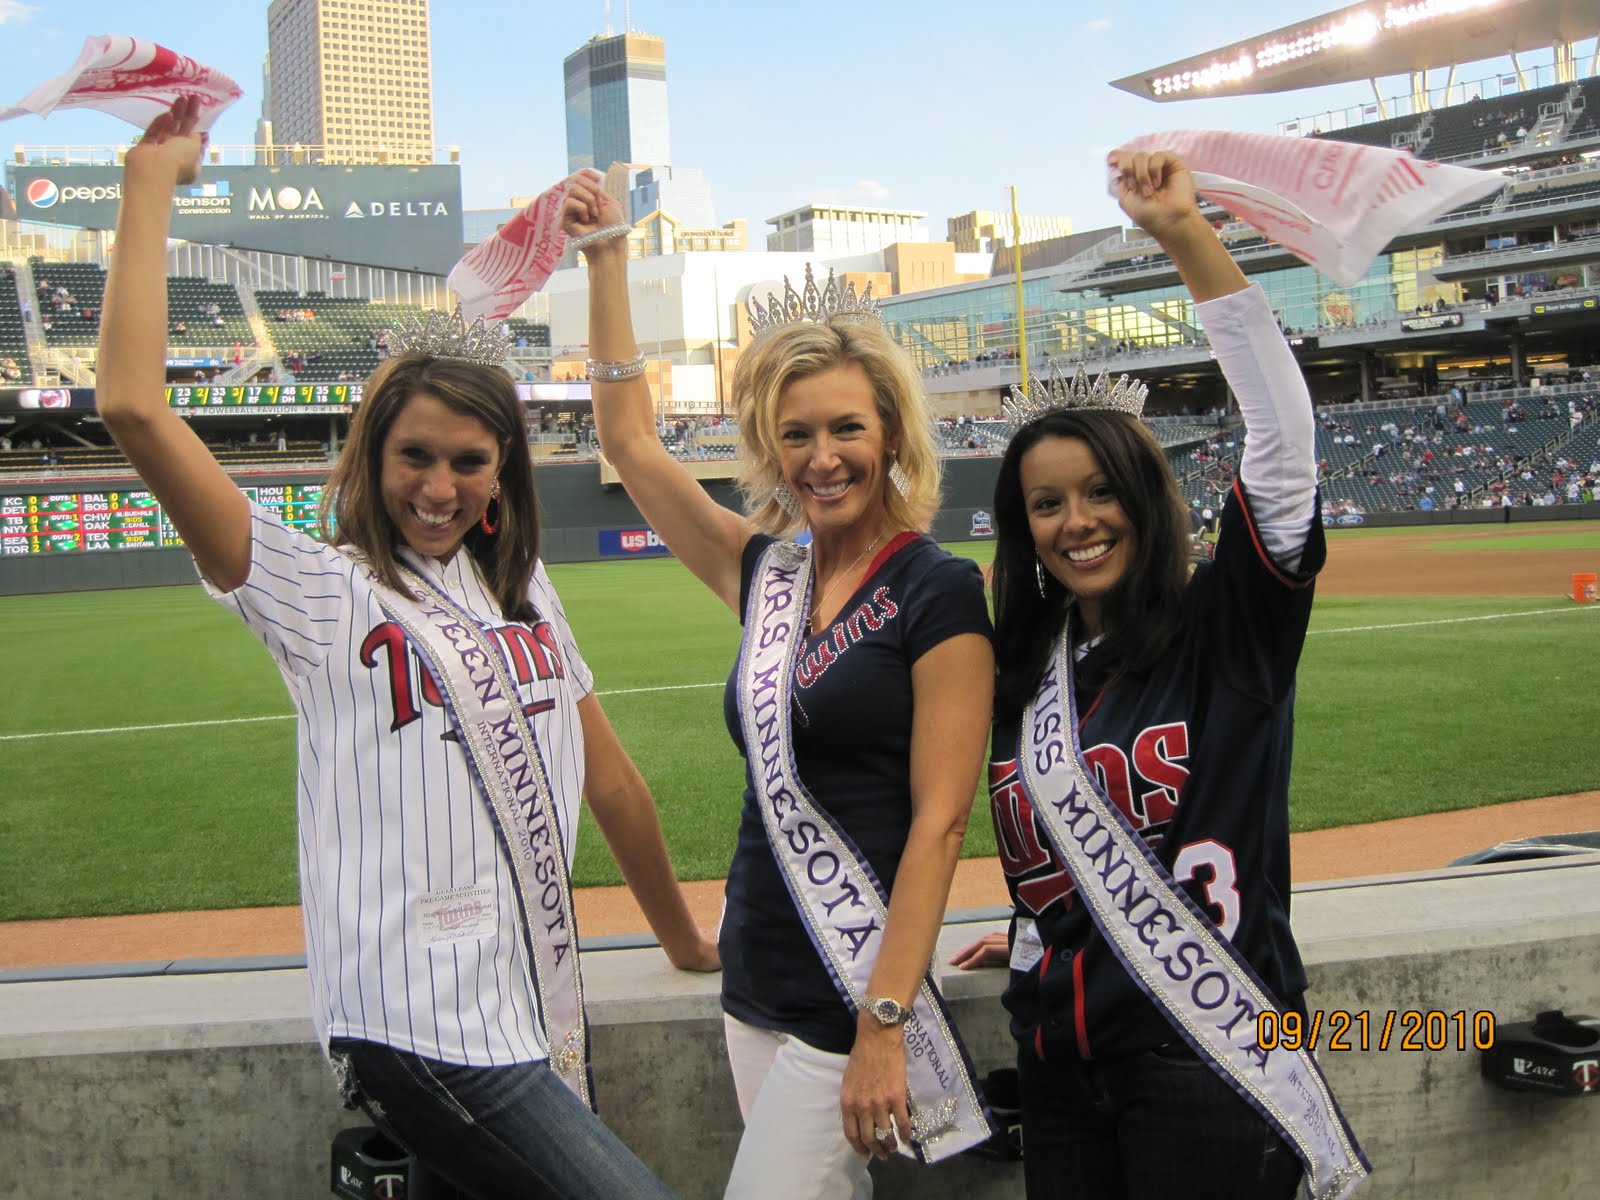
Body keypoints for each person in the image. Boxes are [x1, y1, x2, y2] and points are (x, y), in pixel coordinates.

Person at [95, 96, 716, 1200]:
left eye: (469, 461)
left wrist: (683, 945)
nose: (439, 486)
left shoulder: (522, 591)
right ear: (372, 455)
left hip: (523, 1000)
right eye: (414, 455)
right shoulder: (317, 590)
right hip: (416, 1029)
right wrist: (148, 188)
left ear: (502, 471)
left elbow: (612, 783)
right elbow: (136, 408)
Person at [562, 173, 995, 1198]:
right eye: (796, 434)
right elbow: (629, 443)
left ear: (890, 434)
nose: (822, 456)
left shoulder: (939, 592)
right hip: (751, 978)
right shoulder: (765, 573)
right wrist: (607, 259)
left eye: (845, 428)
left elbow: (939, 825)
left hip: (848, 1001)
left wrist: (884, 1022)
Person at [954, 150, 1365, 1200]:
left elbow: (1282, 442)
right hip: (1057, 1059)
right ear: (1021, 526)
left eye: (1099, 492)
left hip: (1206, 1056)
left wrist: (1183, 233)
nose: (1075, 521)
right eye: (1046, 504)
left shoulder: (1231, 628)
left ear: (1145, 496)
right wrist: (1039, 924)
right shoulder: (1025, 673)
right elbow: (1074, 835)